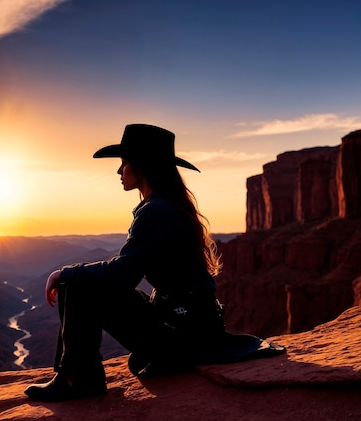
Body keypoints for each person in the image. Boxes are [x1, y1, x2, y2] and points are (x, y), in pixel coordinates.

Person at [25, 124, 283, 402]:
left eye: (124, 163)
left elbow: (122, 275)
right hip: (190, 326)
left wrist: (65, 273)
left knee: (78, 285)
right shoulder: (166, 205)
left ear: (141, 167)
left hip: (183, 335)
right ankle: (77, 377)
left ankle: (77, 380)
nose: (119, 170)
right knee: (81, 282)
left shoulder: (156, 211)